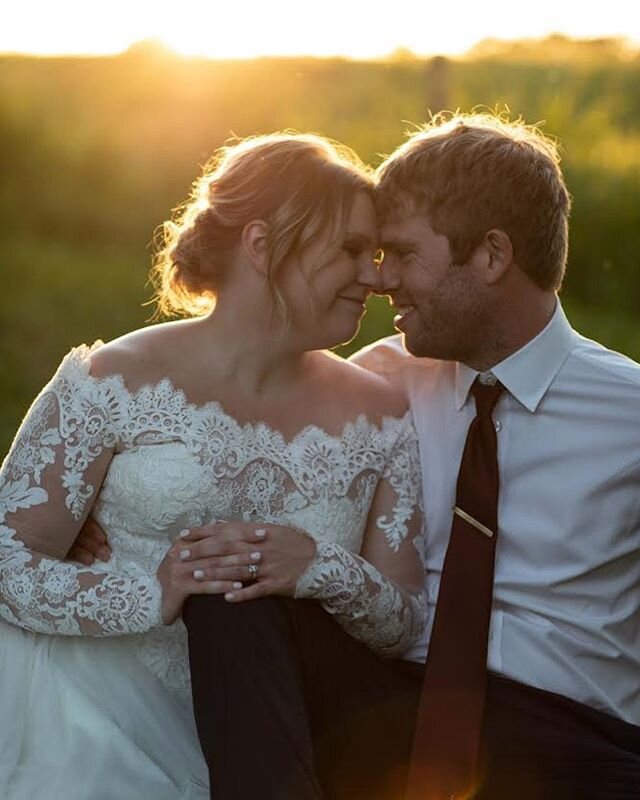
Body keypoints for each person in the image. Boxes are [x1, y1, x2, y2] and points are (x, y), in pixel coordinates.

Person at [142, 113, 638, 800]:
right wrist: (104, 527)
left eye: (403, 254)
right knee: (237, 596)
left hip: (568, 735)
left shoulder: (630, 415)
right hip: (388, 697)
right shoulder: (374, 382)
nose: (381, 280)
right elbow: (231, 446)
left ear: (492, 257)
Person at [0, 132, 426, 799]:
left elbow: (405, 622)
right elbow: (6, 557)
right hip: (95, 710)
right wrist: (151, 593)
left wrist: (321, 567)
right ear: (261, 245)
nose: (374, 276)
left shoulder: (381, 414)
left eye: (374, 254)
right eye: (349, 251)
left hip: (284, 732)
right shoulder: (111, 380)